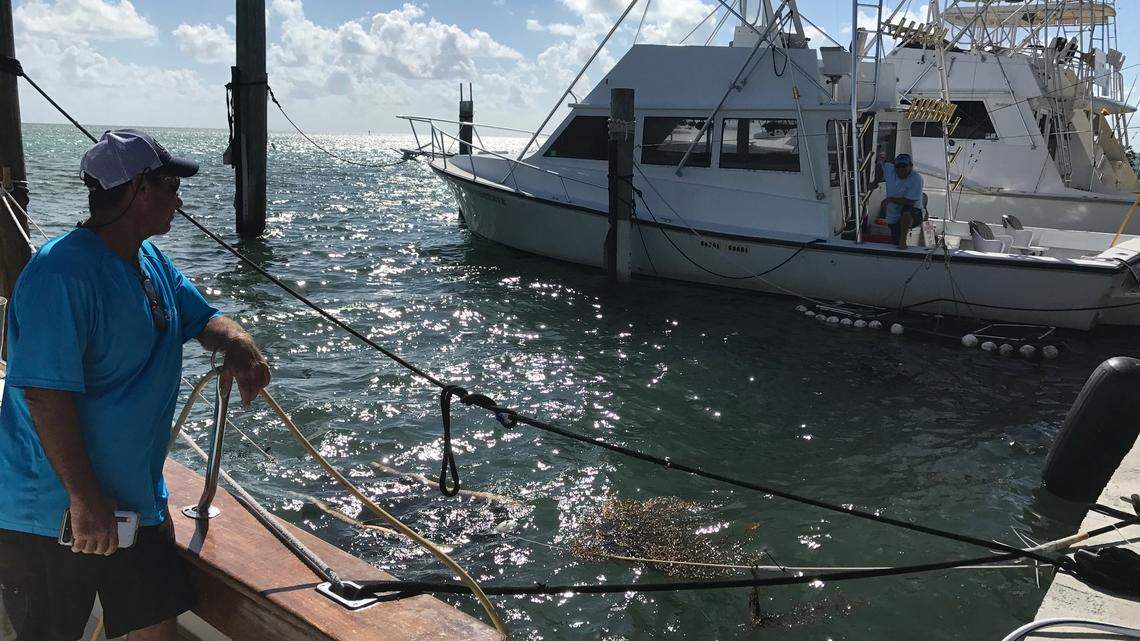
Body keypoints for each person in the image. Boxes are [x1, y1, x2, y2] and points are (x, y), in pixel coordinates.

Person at [0, 129, 271, 641]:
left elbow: (199, 318)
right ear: (136, 189)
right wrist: (84, 500)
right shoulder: (60, 273)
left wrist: (238, 342)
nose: (179, 197)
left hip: (136, 502)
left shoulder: (150, 260)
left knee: (156, 628)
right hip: (56, 514)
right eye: (170, 184)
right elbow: (44, 394)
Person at [880, 152, 924, 249]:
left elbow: (910, 202)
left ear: (911, 166)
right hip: (893, 216)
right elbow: (882, 162)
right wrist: (875, 182)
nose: (901, 169)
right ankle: (899, 241)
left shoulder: (916, 179)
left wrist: (890, 199)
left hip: (915, 212)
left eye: (904, 166)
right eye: (898, 166)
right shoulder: (890, 169)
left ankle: (903, 241)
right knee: (894, 242)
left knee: (906, 211)